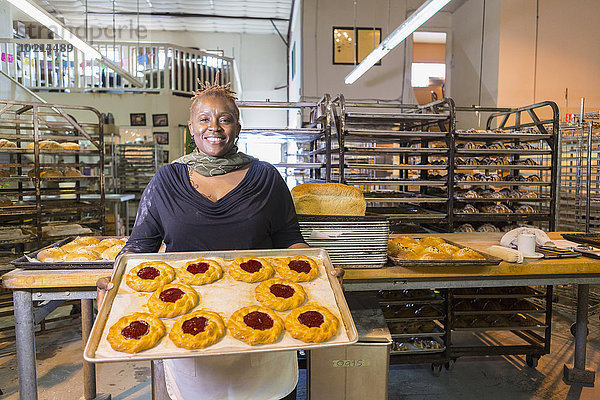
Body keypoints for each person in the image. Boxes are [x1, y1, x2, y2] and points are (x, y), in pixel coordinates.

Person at [97, 80, 342, 400]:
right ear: (191, 127)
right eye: (204, 119)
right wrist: (113, 280)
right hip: (186, 321)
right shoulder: (165, 180)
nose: (214, 127)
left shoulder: (266, 177)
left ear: (238, 127)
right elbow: (139, 247)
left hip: (265, 320)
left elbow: (289, 239)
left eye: (224, 119)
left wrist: (322, 270)